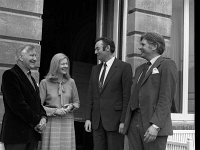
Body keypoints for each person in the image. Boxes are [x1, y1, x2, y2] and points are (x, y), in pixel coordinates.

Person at [123, 32, 178, 150]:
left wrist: (156, 125)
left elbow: (166, 98)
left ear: (153, 46)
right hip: (134, 123)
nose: (139, 47)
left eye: (143, 44)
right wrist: (127, 123)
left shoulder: (167, 64)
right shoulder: (139, 69)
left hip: (152, 124)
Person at [84, 37, 133, 150]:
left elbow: (127, 97)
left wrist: (123, 121)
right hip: (97, 122)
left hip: (115, 122)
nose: (95, 52)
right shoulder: (95, 69)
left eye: (98, 49)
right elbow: (90, 95)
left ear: (107, 48)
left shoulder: (124, 67)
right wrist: (88, 118)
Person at [0, 45, 47, 150]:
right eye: (31, 55)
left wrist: (43, 118)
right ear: (21, 57)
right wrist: (37, 121)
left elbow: (37, 103)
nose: (35, 59)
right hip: (16, 135)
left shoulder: (32, 79)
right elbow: (17, 105)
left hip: (32, 136)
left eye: (35, 55)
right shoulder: (10, 75)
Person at [38, 53, 80, 150]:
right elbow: (38, 106)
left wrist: (70, 106)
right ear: (55, 65)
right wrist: (55, 111)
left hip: (68, 121)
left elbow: (77, 102)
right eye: (62, 64)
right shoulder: (44, 83)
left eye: (66, 64)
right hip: (51, 123)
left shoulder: (71, 82)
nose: (66, 66)